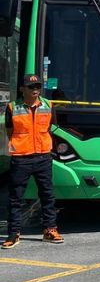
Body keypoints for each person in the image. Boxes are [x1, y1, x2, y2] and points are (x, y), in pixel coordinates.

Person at [3, 75, 63, 249]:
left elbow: (50, 128)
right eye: (31, 87)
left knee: (47, 195)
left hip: (43, 156)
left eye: (37, 86)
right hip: (21, 158)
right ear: (22, 89)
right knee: (15, 198)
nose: (35, 89)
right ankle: (13, 234)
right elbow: (10, 131)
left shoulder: (48, 106)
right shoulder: (13, 107)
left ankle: (50, 230)